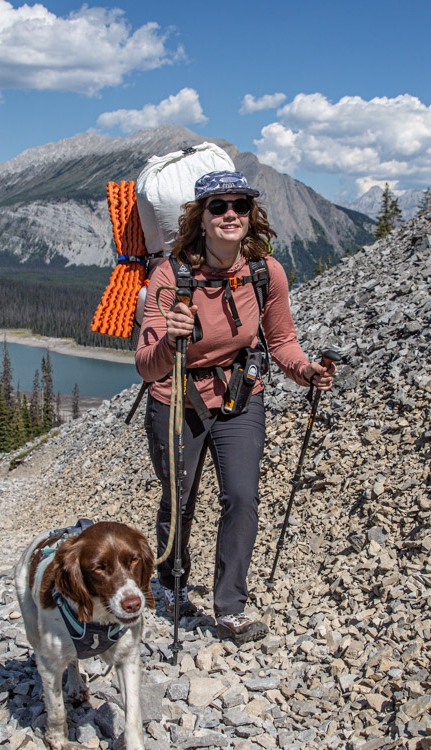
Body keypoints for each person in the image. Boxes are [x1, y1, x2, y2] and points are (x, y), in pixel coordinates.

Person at [135, 170, 334, 644]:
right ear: (199, 219)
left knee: (241, 497)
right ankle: (171, 580)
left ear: (251, 215)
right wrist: (172, 339)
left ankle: (230, 607)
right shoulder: (171, 276)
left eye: (240, 206)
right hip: (176, 398)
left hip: (240, 394)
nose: (230, 215)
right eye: (218, 207)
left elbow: (281, 340)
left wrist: (305, 371)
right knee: (180, 498)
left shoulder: (266, 272)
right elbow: (146, 365)